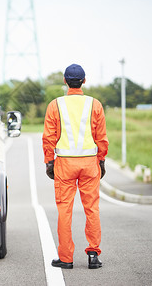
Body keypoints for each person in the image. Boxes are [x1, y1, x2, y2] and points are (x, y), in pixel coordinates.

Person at [42, 63, 109, 269]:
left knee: (65, 210)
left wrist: (49, 162)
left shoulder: (55, 105)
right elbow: (101, 137)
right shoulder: (94, 104)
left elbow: (48, 138)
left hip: (64, 164)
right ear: (84, 81)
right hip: (90, 163)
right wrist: (102, 160)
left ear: (65, 81)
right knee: (92, 209)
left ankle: (66, 258)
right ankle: (93, 255)